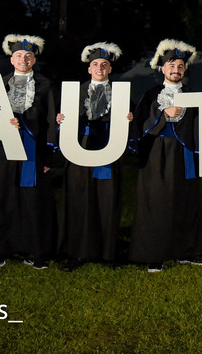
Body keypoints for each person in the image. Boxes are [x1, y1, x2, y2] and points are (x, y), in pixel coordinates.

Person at [128, 39, 202, 272]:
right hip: (157, 153)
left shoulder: (192, 95)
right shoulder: (151, 95)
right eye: (171, 65)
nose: (176, 70)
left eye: (180, 66)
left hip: (184, 153)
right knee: (157, 203)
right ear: (163, 68)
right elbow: (140, 125)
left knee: (186, 202)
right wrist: (163, 115)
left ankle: (186, 252)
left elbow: (200, 126)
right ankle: (155, 255)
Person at [54, 42, 132, 269]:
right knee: (80, 198)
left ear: (110, 69)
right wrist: (60, 120)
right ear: (89, 68)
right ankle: (78, 252)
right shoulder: (74, 92)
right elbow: (61, 121)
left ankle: (107, 253)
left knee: (107, 199)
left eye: (104, 64)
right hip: (80, 147)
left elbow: (132, 121)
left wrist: (130, 118)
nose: (100, 68)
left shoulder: (121, 93)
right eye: (96, 64)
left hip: (109, 147)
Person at [0, 34, 57, 270]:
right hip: (4, 150)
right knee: (2, 198)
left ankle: (36, 251)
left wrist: (48, 156)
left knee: (33, 200)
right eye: (19, 55)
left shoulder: (45, 85)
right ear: (11, 59)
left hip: (34, 151)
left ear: (34, 60)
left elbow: (50, 121)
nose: (23, 59)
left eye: (28, 56)